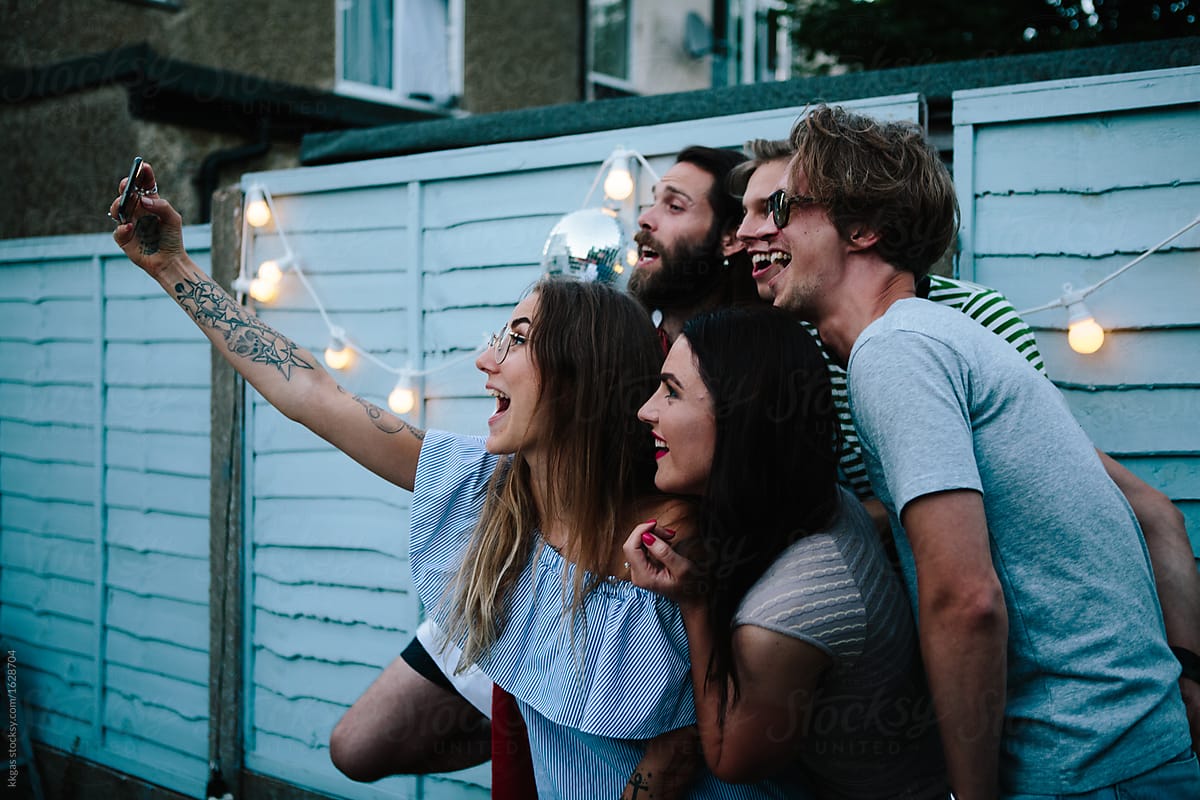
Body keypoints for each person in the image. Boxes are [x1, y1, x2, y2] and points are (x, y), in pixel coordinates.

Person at [109, 165, 795, 800]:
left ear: (581, 373)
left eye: (518, 338)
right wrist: (173, 267)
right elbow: (314, 393)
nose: (484, 358)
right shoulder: (487, 485)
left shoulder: (667, 539)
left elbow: (677, 752)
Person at [766, 104, 1200, 798]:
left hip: (1081, 767)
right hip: (1123, 755)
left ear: (864, 227)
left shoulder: (896, 352)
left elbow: (965, 598)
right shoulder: (935, 339)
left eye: (787, 204)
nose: (769, 226)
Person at [625, 306, 949, 799]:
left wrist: (695, 604)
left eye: (671, 392)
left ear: (741, 415)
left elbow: (734, 759)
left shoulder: (786, 615)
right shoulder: (816, 497)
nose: (646, 409)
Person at [629, 145, 762, 345]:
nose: (644, 218)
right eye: (653, 201)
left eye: (675, 206)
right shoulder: (621, 343)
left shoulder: (761, 355)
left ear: (732, 239)